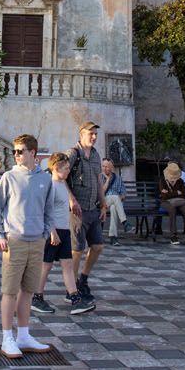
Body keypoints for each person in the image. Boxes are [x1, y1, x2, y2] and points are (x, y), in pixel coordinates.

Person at [0, 133, 58, 360]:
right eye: (14, 151)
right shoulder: (9, 177)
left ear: (33, 153)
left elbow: (49, 209)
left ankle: (24, 335)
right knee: (9, 291)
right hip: (14, 241)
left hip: (36, 241)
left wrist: (45, 232)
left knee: (29, 290)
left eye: (20, 151)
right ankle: (7, 337)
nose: (15, 155)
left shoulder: (45, 179)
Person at [33, 152, 95, 315]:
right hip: (53, 232)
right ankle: (36, 298)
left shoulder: (62, 185)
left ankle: (75, 299)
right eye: (66, 168)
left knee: (67, 265)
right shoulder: (51, 185)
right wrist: (52, 232)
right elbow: (44, 210)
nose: (69, 171)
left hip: (65, 231)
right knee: (46, 266)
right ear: (55, 168)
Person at [65, 121, 106, 303]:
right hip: (78, 210)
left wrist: (103, 204)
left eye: (96, 134)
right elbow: (59, 177)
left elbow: (98, 182)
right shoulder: (73, 154)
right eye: (91, 134)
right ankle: (71, 289)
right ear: (81, 134)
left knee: (97, 247)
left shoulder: (97, 156)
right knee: (77, 250)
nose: (94, 137)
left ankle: (83, 279)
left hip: (93, 208)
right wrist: (71, 199)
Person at [159, 161, 185, 245]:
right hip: (166, 202)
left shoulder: (180, 181)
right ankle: (173, 236)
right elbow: (164, 196)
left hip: (179, 202)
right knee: (172, 210)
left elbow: (184, 195)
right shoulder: (162, 181)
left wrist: (169, 193)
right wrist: (176, 193)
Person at [101, 158, 127, 239]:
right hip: (103, 201)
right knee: (115, 198)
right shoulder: (100, 177)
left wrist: (121, 196)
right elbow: (101, 193)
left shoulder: (118, 178)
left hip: (115, 203)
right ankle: (125, 222)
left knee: (113, 208)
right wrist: (108, 180)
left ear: (111, 168)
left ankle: (113, 236)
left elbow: (123, 193)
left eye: (107, 167)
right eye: (103, 166)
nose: (104, 168)